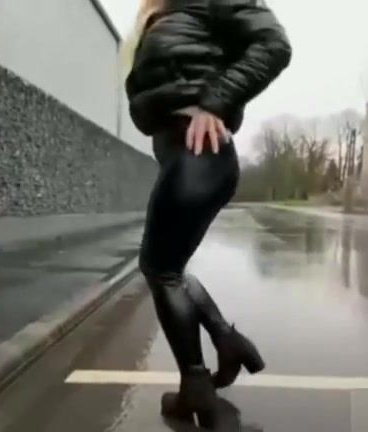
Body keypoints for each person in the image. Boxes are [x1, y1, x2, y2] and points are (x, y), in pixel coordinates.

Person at [123, 0, 292, 427]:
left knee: (161, 271)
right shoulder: (164, 14)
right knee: (169, 270)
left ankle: (196, 385)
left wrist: (216, 102)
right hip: (185, 157)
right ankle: (226, 343)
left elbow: (274, 45)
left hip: (199, 154)